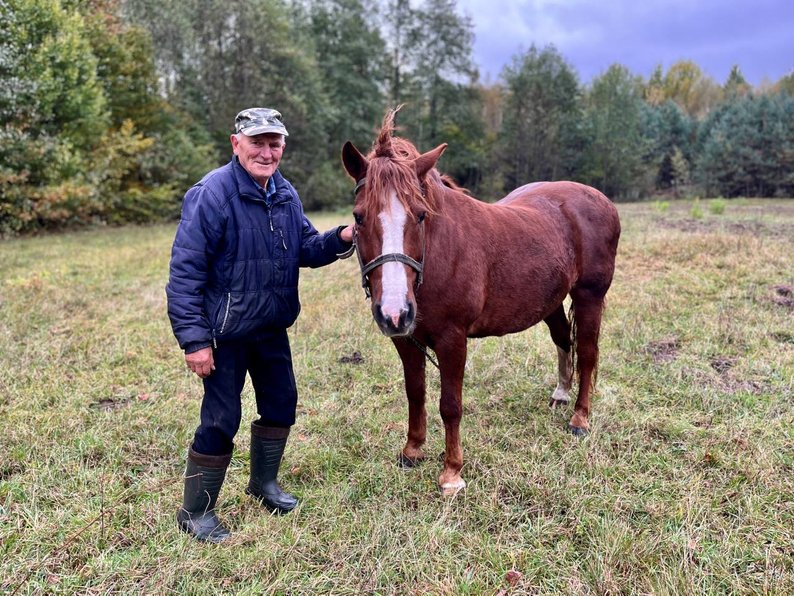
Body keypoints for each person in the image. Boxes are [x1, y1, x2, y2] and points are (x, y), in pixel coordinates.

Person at [166, 107, 353, 543]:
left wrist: (341, 238)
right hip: (225, 335)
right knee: (220, 420)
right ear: (236, 144)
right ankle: (196, 511)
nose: (266, 153)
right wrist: (195, 341)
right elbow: (185, 275)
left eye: (274, 144)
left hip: (271, 328)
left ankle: (263, 484)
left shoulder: (284, 193)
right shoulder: (211, 195)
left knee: (281, 404)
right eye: (257, 143)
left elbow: (304, 247)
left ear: (283, 147)